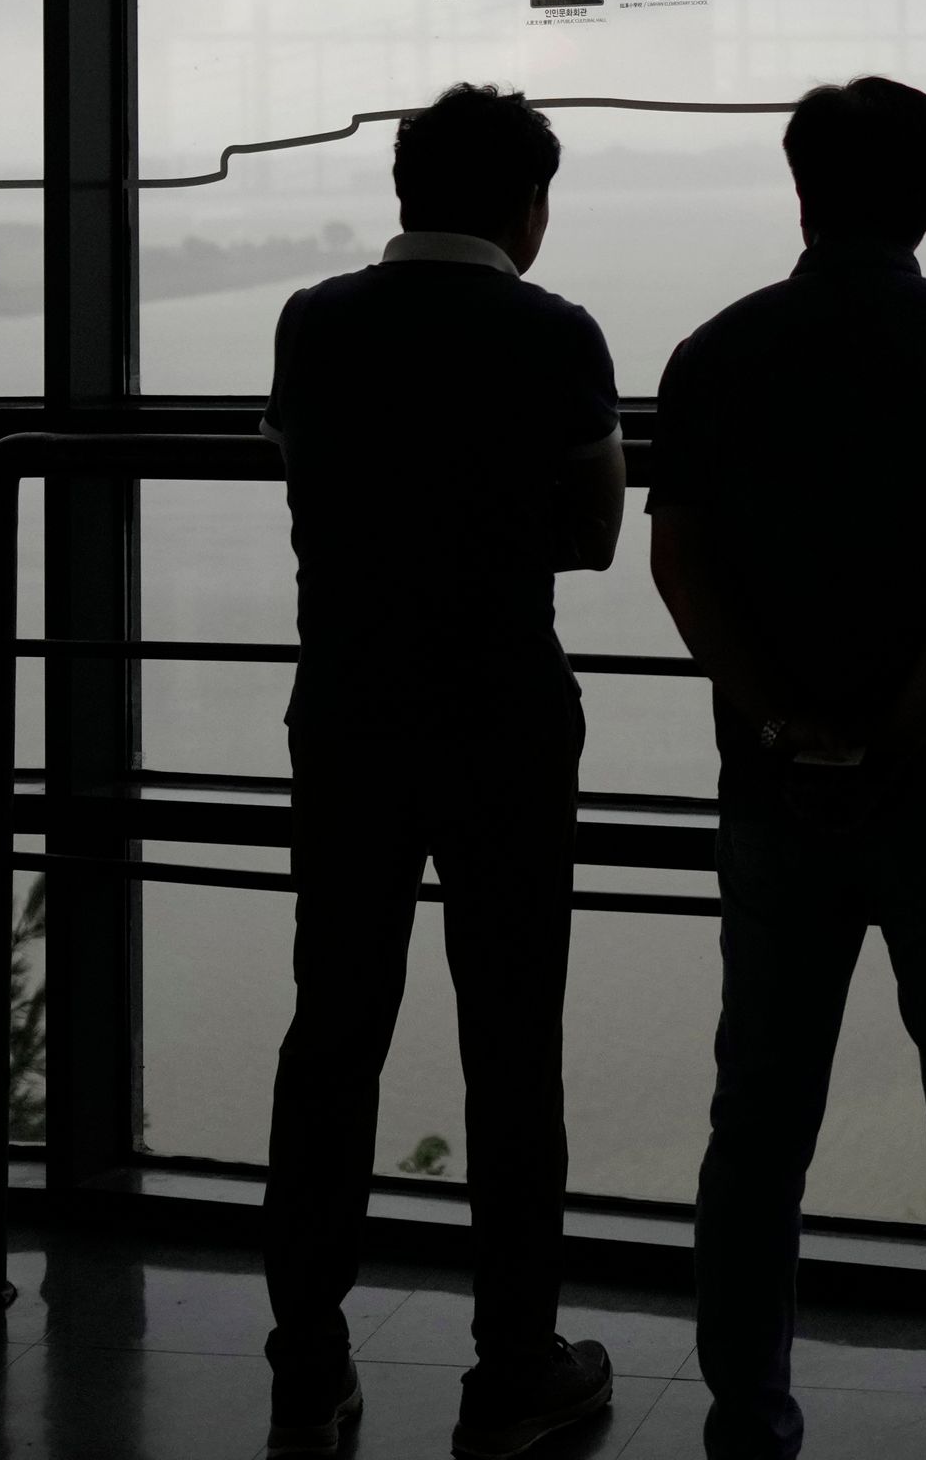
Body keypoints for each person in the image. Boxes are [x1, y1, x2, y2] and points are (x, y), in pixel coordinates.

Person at [649, 77, 926, 1460]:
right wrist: (904, 731)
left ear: (800, 187)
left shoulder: (713, 357)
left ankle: (748, 1419)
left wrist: (781, 724)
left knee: (757, 1125)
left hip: (776, 793)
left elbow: (683, 563)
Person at [260, 84, 628, 1460]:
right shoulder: (554, 334)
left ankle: (307, 1359)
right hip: (504, 720)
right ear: (526, 206)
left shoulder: (316, 322)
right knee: (510, 1046)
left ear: (409, 191)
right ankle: (514, 1361)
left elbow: (300, 466)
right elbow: (592, 533)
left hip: (348, 712)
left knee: (334, 1031)